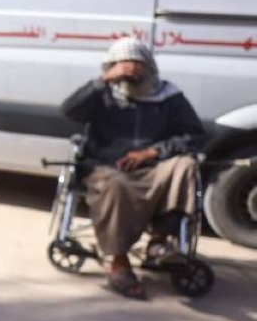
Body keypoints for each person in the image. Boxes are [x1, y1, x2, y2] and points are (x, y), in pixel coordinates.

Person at [61, 36, 205, 300]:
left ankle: (159, 243)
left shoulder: (168, 96)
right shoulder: (102, 92)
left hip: (155, 165)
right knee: (115, 184)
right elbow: (69, 111)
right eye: (123, 68)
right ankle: (118, 260)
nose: (130, 75)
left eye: (136, 69)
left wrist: (153, 151)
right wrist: (105, 79)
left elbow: (194, 136)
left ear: (149, 68)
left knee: (184, 165)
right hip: (108, 166)